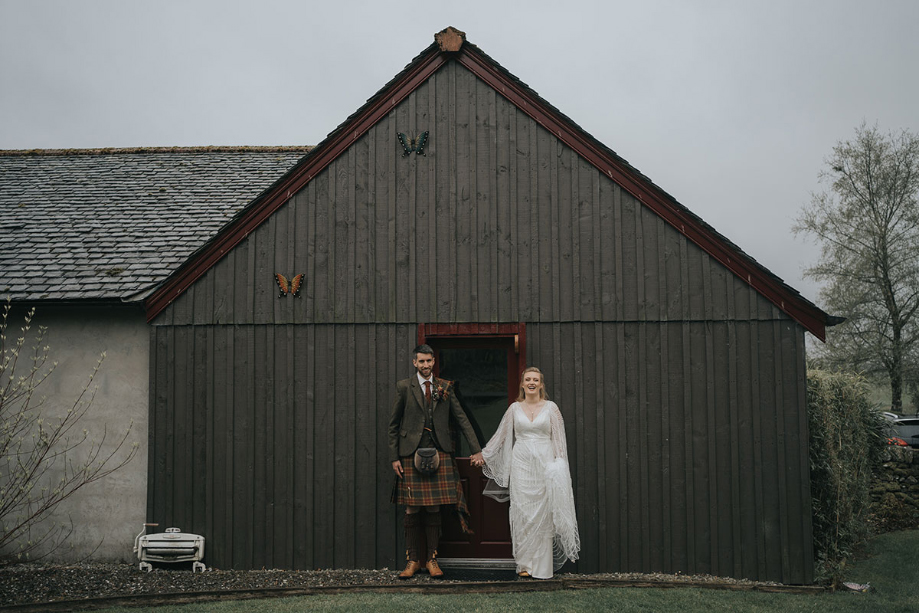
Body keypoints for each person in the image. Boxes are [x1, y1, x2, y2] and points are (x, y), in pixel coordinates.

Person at [472, 366, 580, 579]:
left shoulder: (551, 408)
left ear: (541, 384)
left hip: (545, 465)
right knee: (522, 513)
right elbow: (501, 435)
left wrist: (559, 467)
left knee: (543, 513)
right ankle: (524, 565)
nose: (532, 383)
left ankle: (542, 567)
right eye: (528, 379)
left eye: (535, 380)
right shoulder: (514, 409)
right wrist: (484, 454)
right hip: (521, 465)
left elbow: (559, 441)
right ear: (522, 384)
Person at [388, 344, 484, 579]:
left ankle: (432, 559)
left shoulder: (445, 387)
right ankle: (412, 561)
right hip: (410, 454)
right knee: (412, 508)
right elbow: (394, 425)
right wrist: (394, 457)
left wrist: (477, 450)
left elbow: (462, 420)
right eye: (421, 361)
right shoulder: (404, 387)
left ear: (433, 361)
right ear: (414, 363)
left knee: (433, 506)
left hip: (440, 453)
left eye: (429, 361)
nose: (426, 365)